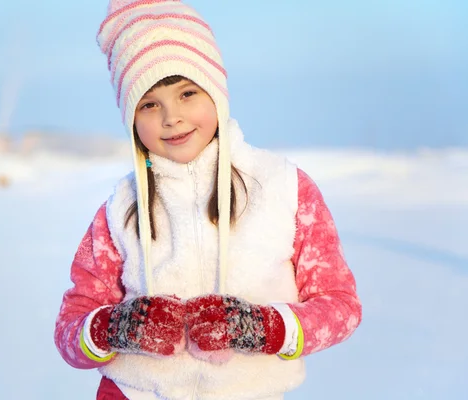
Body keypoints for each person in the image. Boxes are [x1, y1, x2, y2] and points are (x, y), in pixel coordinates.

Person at [54, 0, 362, 399]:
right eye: (149, 104)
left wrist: (263, 327)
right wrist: (115, 328)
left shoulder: (284, 187)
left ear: (216, 92)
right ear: (131, 116)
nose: (172, 117)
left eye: (187, 93)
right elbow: (69, 329)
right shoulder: (119, 210)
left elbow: (341, 306)